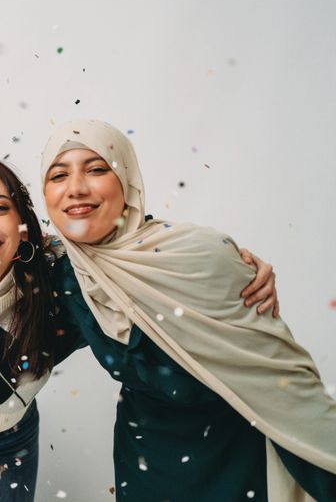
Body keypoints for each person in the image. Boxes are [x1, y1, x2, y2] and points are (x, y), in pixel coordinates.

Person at [0, 157, 280, 501]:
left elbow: (133, 247)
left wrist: (231, 265)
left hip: (9, 442)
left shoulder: (63, 276)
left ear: (23, 221)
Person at [40, 118, 336, 500]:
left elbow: (282, 380)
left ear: (126, 180)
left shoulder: (198, 254)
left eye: (97, 169)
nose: (76, 189)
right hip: (147, 465)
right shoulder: (69, 277)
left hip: (236, 463)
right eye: (58, 176)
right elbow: (14, 343)